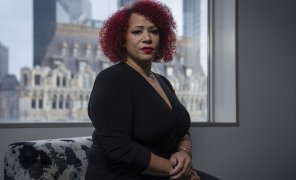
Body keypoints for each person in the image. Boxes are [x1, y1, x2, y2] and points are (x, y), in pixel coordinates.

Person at [85, 0, 219, 179]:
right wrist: (183, 173)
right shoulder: (111, 80)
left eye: (154, 31)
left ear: (161, 39)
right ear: (122, 40)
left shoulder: (163, 81)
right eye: (137, 31)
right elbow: (121, 149)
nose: (147, 38)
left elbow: (180, 130)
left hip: (162, 173)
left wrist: (184, 152)